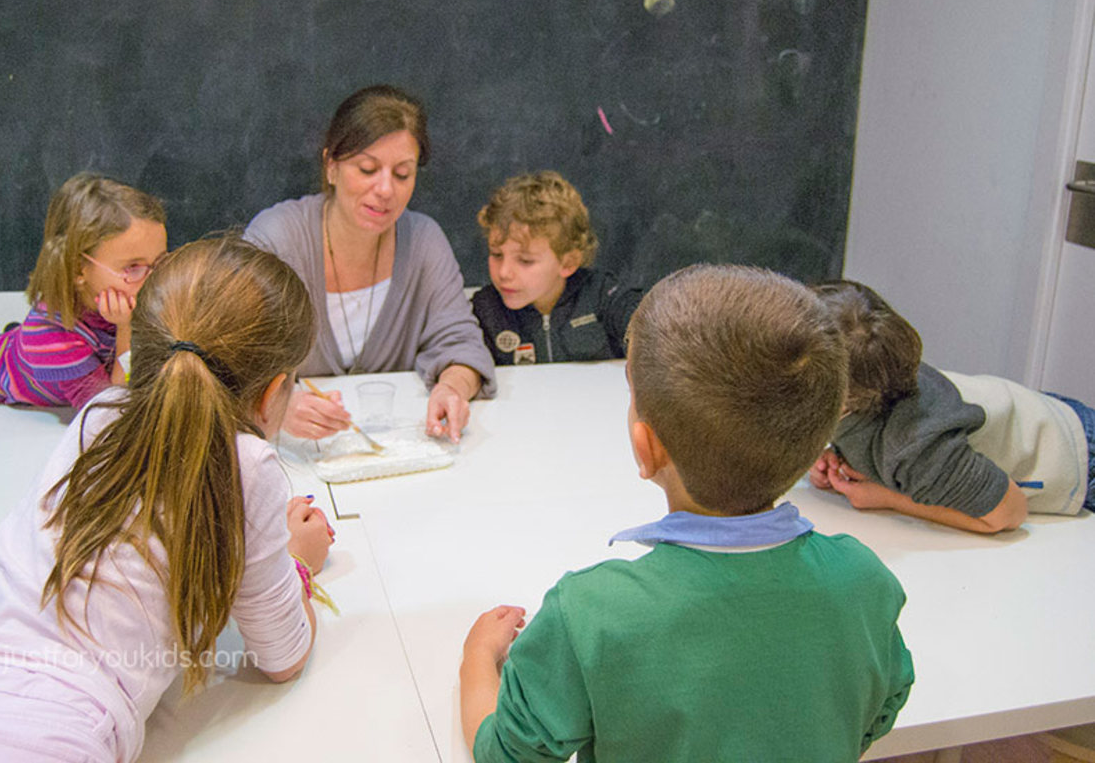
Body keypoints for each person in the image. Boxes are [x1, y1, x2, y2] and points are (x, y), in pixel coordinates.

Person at [0, 237, 335, 762]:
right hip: (44, 730)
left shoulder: (97, 417)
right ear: (272, 393)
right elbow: (282, 656)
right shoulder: (249, 464)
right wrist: (296, 562)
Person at [460, 264, 914, 762]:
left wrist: (477, 657)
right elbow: (882, 706)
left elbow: (504, 756)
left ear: (647, 447)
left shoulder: (589, 615)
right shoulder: (864, 579)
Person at [243, 85, 495, 443]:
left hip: (395, 446)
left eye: (402, 174)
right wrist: (277, 405)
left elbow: (462, 343)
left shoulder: (424, 241)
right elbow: (231, 355)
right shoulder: (277, 238)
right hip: (291, 455)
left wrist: (452, 387)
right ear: (331, 166)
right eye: (367, 169)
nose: (386, 190)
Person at [808, 279, 1095, 533]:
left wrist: (887, 497)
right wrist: (841, 455)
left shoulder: (916, 449)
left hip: (1074, 455)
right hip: (1036, 411)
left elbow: (1009, 512)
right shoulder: (877, 364)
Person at [0, 172, 168, 409]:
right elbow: (108, 411)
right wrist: (126, 329)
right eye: (133, 267)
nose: (153, 280)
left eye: (160, 262)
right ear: (78, 269)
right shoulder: (50, 336)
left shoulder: (135, 301)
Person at [471, 171, 641, 365]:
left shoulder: (604, 296)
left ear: (568, 263)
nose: (504, 273)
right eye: (496, 254)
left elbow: (650, 333)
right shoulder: (484, 311)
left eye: (525, 261)